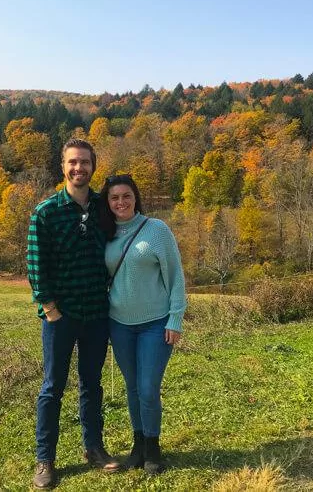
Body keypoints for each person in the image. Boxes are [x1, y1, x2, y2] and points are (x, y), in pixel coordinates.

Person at [27, 138, 119, 489]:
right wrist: (50, 310)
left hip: (97, 313)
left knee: (91, 385)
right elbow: (36, 266)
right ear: (62, 167)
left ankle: (93, 449)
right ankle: (45, 459)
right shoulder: (46, 212)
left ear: (93, 166)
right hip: (61, 318)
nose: (79, 168)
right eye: (72, 162)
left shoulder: (103, 207)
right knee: (53, 387)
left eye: (85, 162)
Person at [98, 174, 187, 474]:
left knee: (148, 388)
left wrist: (176, 318)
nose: (120, 202)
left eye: (126, 196)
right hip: (119, 324)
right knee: (132, 387)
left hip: (155, 324)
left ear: (135, 197)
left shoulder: (157, 230)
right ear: (107, 203)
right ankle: (138, 445)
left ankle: (153, 447)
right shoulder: (105, 233)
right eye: (114, 198)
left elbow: (175, 277)